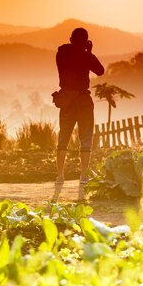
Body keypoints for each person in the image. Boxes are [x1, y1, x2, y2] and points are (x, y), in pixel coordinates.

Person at [53, 27, 104, 201]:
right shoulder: (85, 55)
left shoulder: (61, 54)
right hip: (83, 99)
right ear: (85, 41)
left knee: (63, 136)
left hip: (66, 99)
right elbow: (100, 70)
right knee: (86, 136)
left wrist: (83, 51)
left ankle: (60, 176)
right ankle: (83, 176)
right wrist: (88, 52)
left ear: (70, 38)